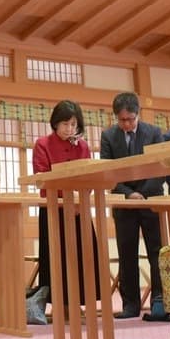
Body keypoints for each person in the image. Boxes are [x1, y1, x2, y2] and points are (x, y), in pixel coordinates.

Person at [100, 91, 167, 321]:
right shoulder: (108, 136)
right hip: (124, 202)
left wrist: (143, 193)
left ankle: (160, 300)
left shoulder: (154, 132)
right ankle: (130, 304)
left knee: (156, 252)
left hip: (151, 200)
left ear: (138, 115)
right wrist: (129, 194)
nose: (127, 124)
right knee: (126, 252)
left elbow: (161, 168)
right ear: (116, 118)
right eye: (122, 120)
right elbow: (108, 172)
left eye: (131, 119)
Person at [31, 100, 101, 310]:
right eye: (65, 124)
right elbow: (41, 177)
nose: (69, 129)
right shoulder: (42, 143)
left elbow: (89, 178)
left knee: (83, 253)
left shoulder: (83, 146)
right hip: (53, 208)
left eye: (73, 125)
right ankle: (58, 304)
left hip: (79, 209)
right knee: (55, 255)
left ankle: (81, 301)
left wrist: (80, 203)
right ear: (55, 123)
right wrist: (66, 199)